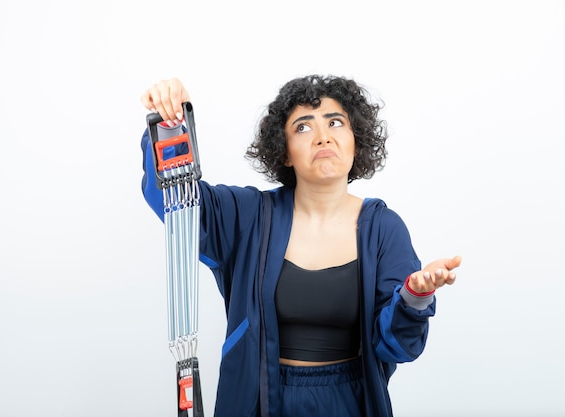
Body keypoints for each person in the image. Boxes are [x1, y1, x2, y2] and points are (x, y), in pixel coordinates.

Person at [140, 75, 462, 417]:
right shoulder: (249, 217)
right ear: (285, 152)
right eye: (303, 128)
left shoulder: (383, 228)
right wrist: (174, 125)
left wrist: (414, 296)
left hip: (349, 403)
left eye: (335, 122)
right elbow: (174, 200)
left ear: (356, 140)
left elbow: (396, 345)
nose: (323, 136)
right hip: (261, 401)